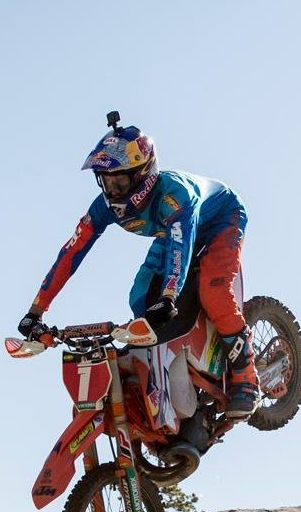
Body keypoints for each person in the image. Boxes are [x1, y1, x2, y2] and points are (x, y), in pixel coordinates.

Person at [20, 115, 260, 417]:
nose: (111, 191)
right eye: (105, 181)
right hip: (171, 230)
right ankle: (159, 364)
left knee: (214, 292)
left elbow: (179, 246)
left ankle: (246, 375)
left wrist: (169, 296)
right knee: (140, 294)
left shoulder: (174, 195)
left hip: (221, 218)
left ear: (143, 175)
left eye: (119, 181)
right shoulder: (104, 206)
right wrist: (36, 310)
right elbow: (72, 252)